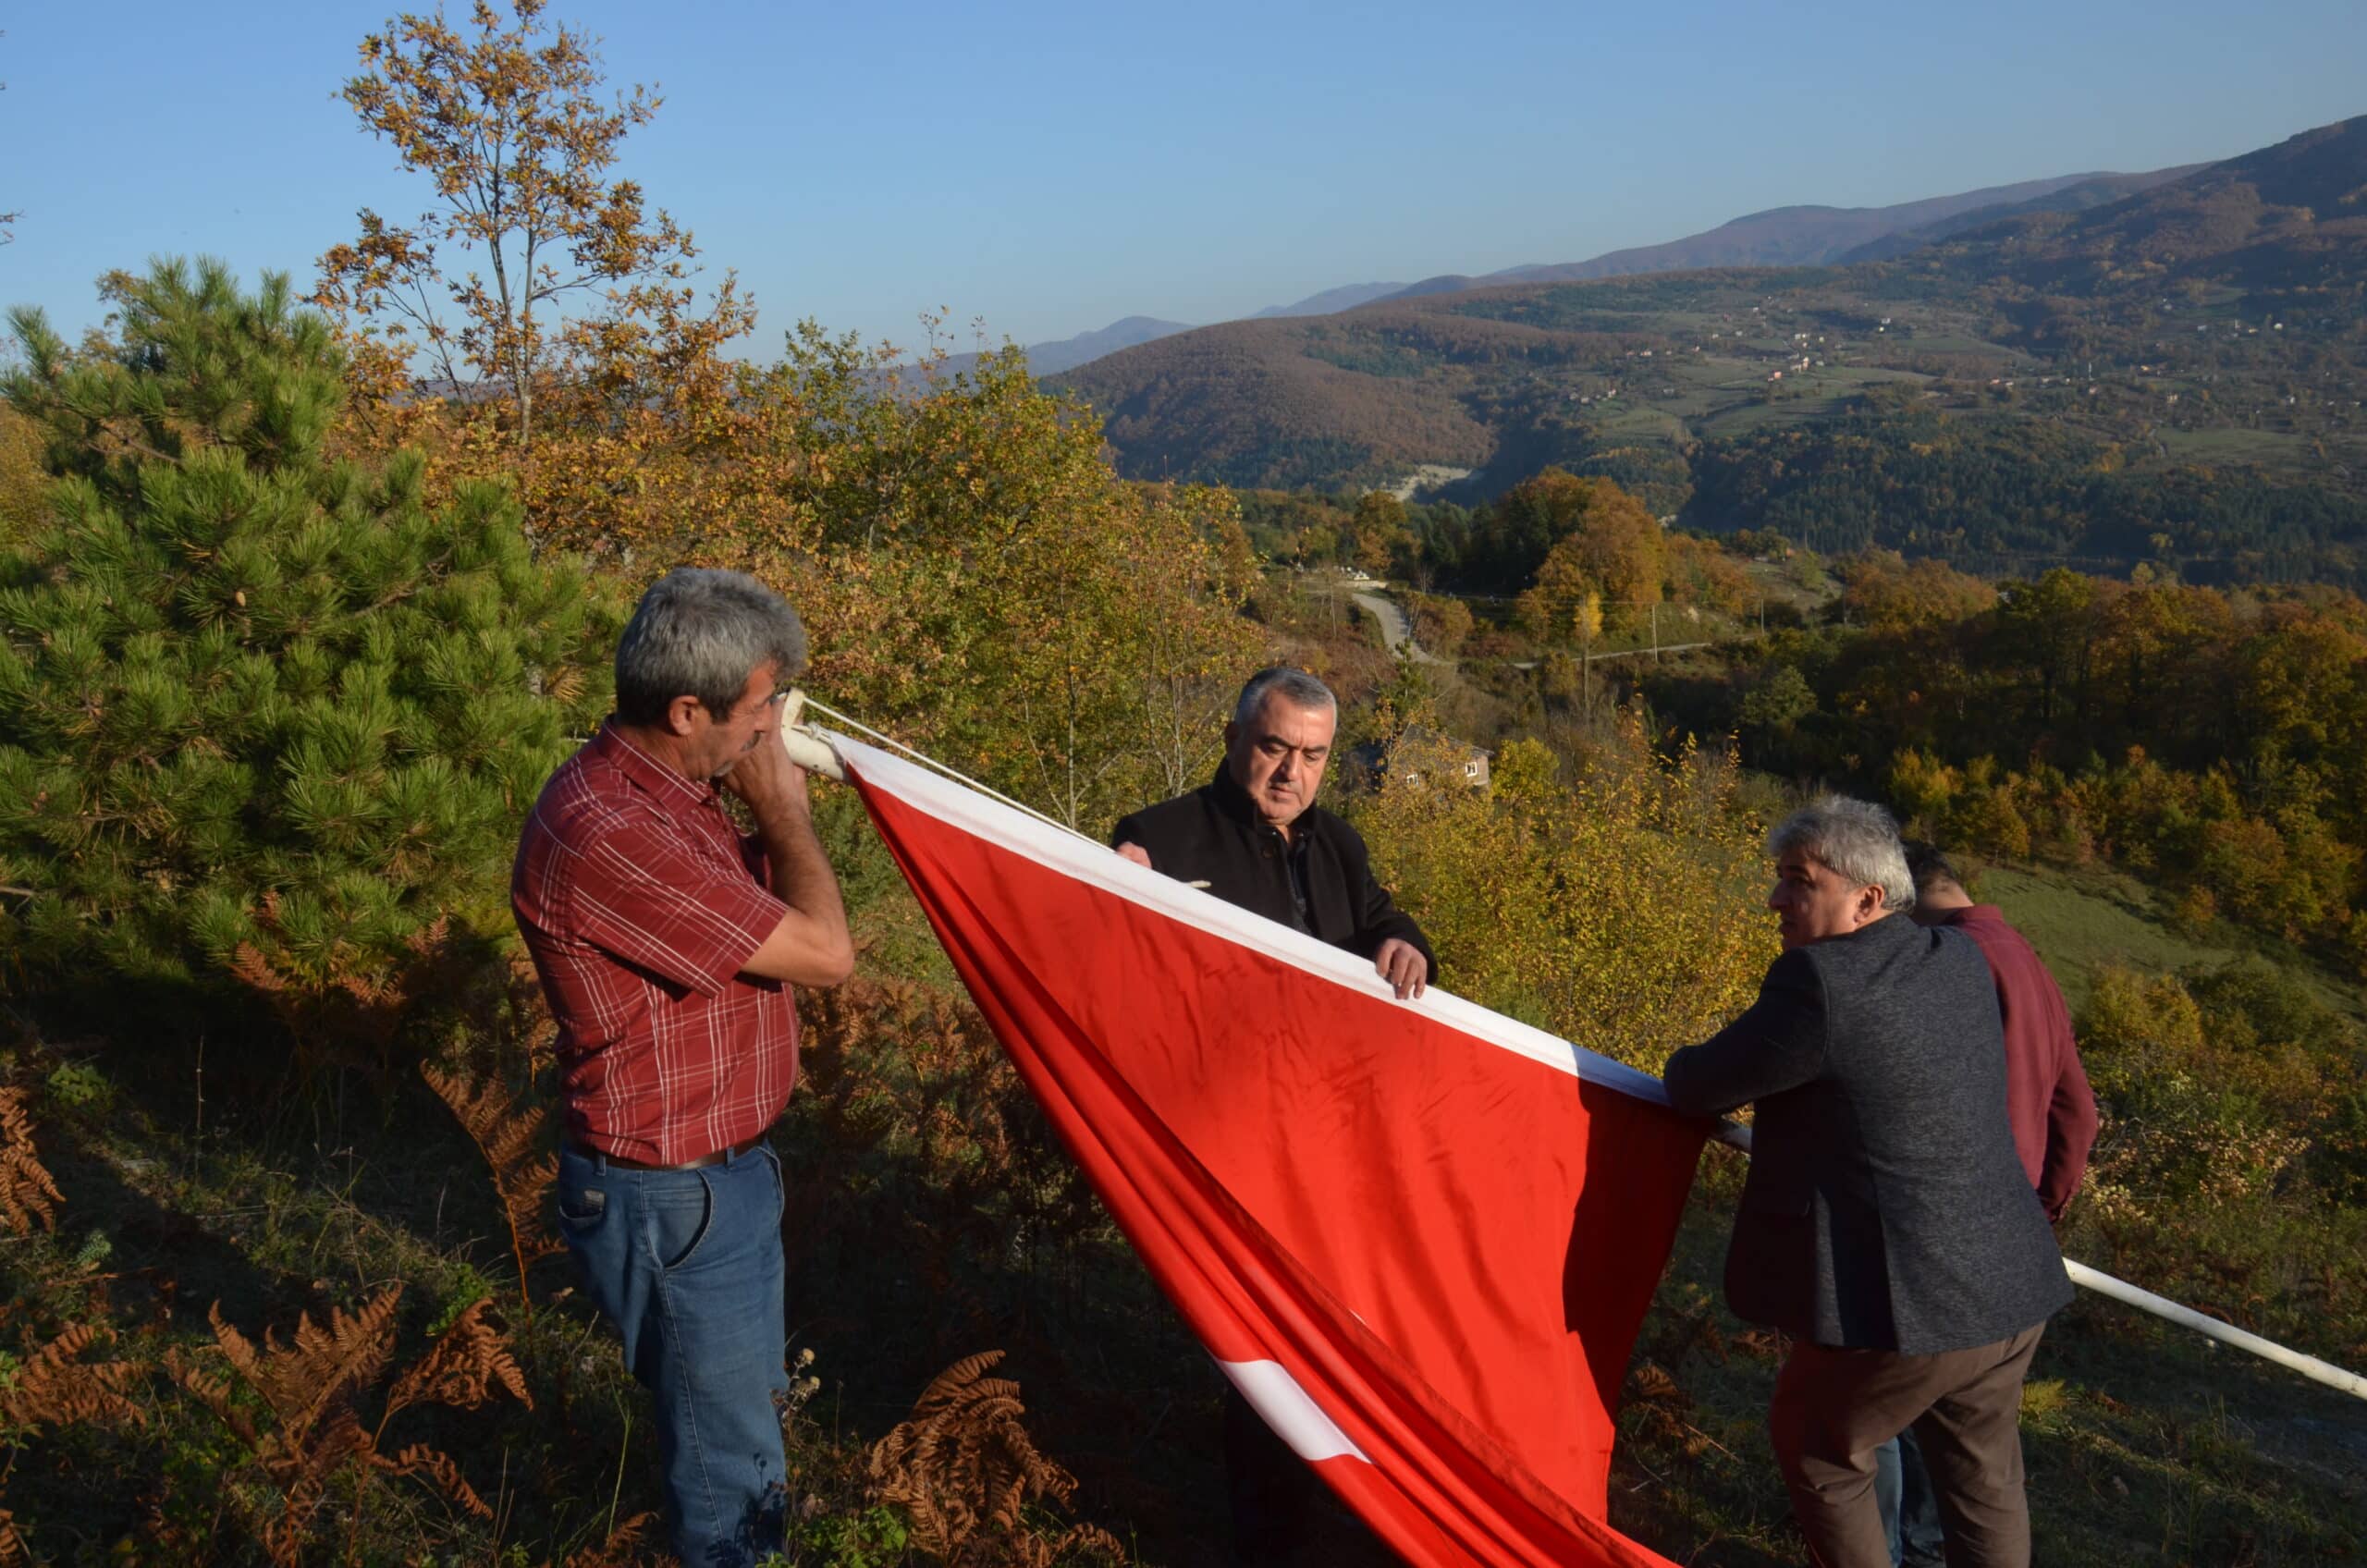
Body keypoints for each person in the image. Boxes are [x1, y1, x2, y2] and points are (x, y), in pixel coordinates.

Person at [512, 568, 854, 1567]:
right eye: (759, 713)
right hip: (671, 1197)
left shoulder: (674, 789)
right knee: (727, 1482)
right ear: (686, 708)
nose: (769, 736)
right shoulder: (610, 829)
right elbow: (826, 954)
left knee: (743, 1433)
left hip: (717, 1183)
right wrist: (785, 812)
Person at [1661, 797, 2071, 1568]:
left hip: (1914, 1305)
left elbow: (1700, 1083)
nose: (1777, 899)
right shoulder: (1955, 959)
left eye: (1798, 881)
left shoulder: (1819, 983)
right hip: (2012, 1285)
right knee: (1985, 1483)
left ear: (1868, 899)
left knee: (1820, 1446)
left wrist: (1681, 1066)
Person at [1111, 666, 1435, 1563]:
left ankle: (1316, 1505)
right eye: (1274, 746)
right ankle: (1269, 1539)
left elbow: (1375, 918)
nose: (1291, 770)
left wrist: (1406, 939)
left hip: (1325, 1142)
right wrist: (1116, 890)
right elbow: (1116, 969)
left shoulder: (1338, 843)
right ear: (1234, 737)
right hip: (1222, 1144)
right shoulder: (1160, 838)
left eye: (1313, 755)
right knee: (1261, 1349)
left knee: (1316, 1341)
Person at [1870, 842, 2101, 1566]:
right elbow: (2079, 1112)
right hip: (2007, 1243)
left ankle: (1883, 1552)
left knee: (1871, 1413)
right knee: (1971, 1442)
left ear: (1897, 896)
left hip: (1933, 1226)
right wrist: (2042, 1213)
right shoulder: (2028, 961)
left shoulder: (1942, 959)